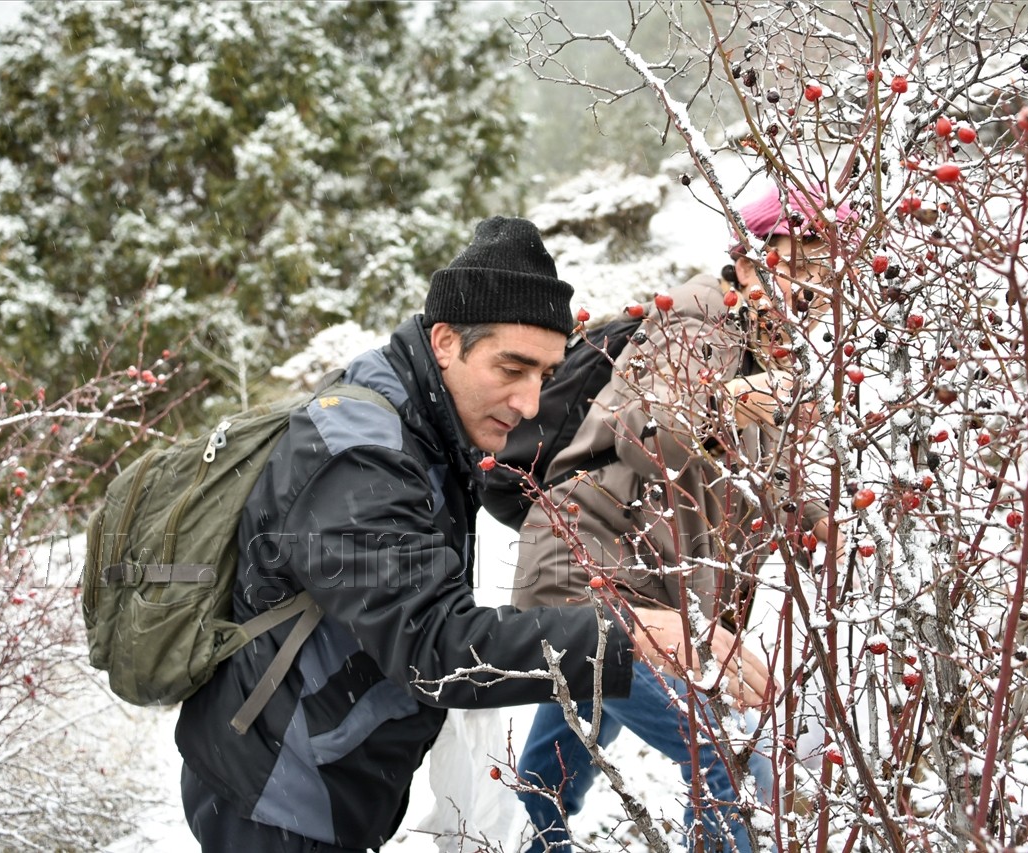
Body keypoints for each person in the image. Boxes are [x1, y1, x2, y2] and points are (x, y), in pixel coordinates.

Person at [174, 216, 772, 853]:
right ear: (444, 342)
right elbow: (435, 645)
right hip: (276, 795)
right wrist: (630, 635)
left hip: (321, 774)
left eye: (544, 374)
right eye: (511, 368)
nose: (529, 402)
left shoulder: (422, 420)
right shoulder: (361, 449)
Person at [510, 186, 847, 853]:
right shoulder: (699, 318)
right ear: (750, 262)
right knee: (731, 768)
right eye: (802, 265)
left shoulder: (771, 351)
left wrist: (821, 521)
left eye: (827, 272)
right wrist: (731, 404)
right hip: (591, 578)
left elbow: (766, 475)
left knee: (558, 761)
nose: (817, 287)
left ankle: (525, 842)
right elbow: (647, 432)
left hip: (645, 591)